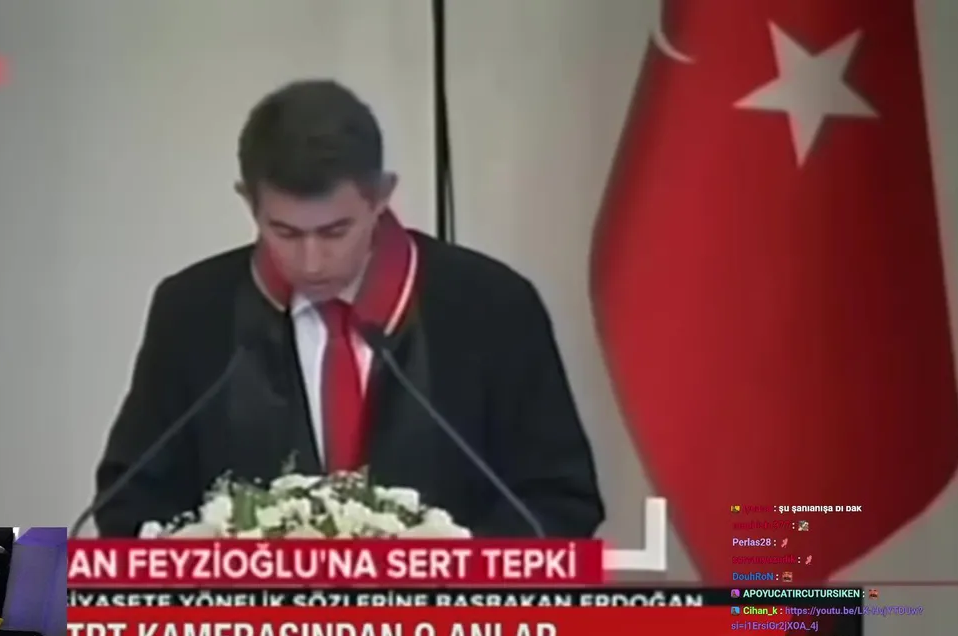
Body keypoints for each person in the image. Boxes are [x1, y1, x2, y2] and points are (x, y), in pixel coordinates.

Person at [95, 79, 603, 538]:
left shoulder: (491, 306)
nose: (311, 262)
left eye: (335, 231)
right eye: (284, 232)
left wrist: (448, 571)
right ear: (249, 201)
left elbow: (559, 502)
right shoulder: (193, 311)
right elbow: (130, 502)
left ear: (381, 196)